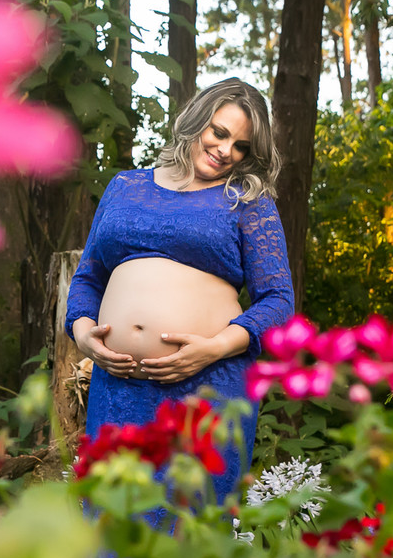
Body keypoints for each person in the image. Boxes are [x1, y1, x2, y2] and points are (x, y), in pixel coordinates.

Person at [65, 78, 294, 507]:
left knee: (184, 535)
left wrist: (212, 348)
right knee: (113, 526)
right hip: (118, 388)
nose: (226, 150)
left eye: (241, 146)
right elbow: (88, 278)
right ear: (196, 121)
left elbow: (279, 300)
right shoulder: (125, 187)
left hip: (204, 387)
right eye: (219, 133)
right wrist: (82, 333)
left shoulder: (247, 200)